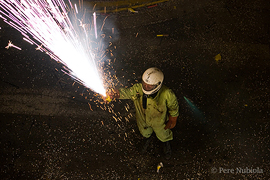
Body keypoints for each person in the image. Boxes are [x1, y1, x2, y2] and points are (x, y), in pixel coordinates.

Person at [108, 67, 179, 159]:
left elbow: (173, 107)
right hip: (142, 118)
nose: (146, 86)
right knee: (144, 131)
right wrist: (115, 93)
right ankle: (147, 138)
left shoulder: (167, 94)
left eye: (149, 86)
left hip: (159, 120)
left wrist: (173, 119)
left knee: (163, 133)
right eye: (144, 83)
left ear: (158, 84)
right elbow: (126, 92)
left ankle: (165, 143)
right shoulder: (137, 89)